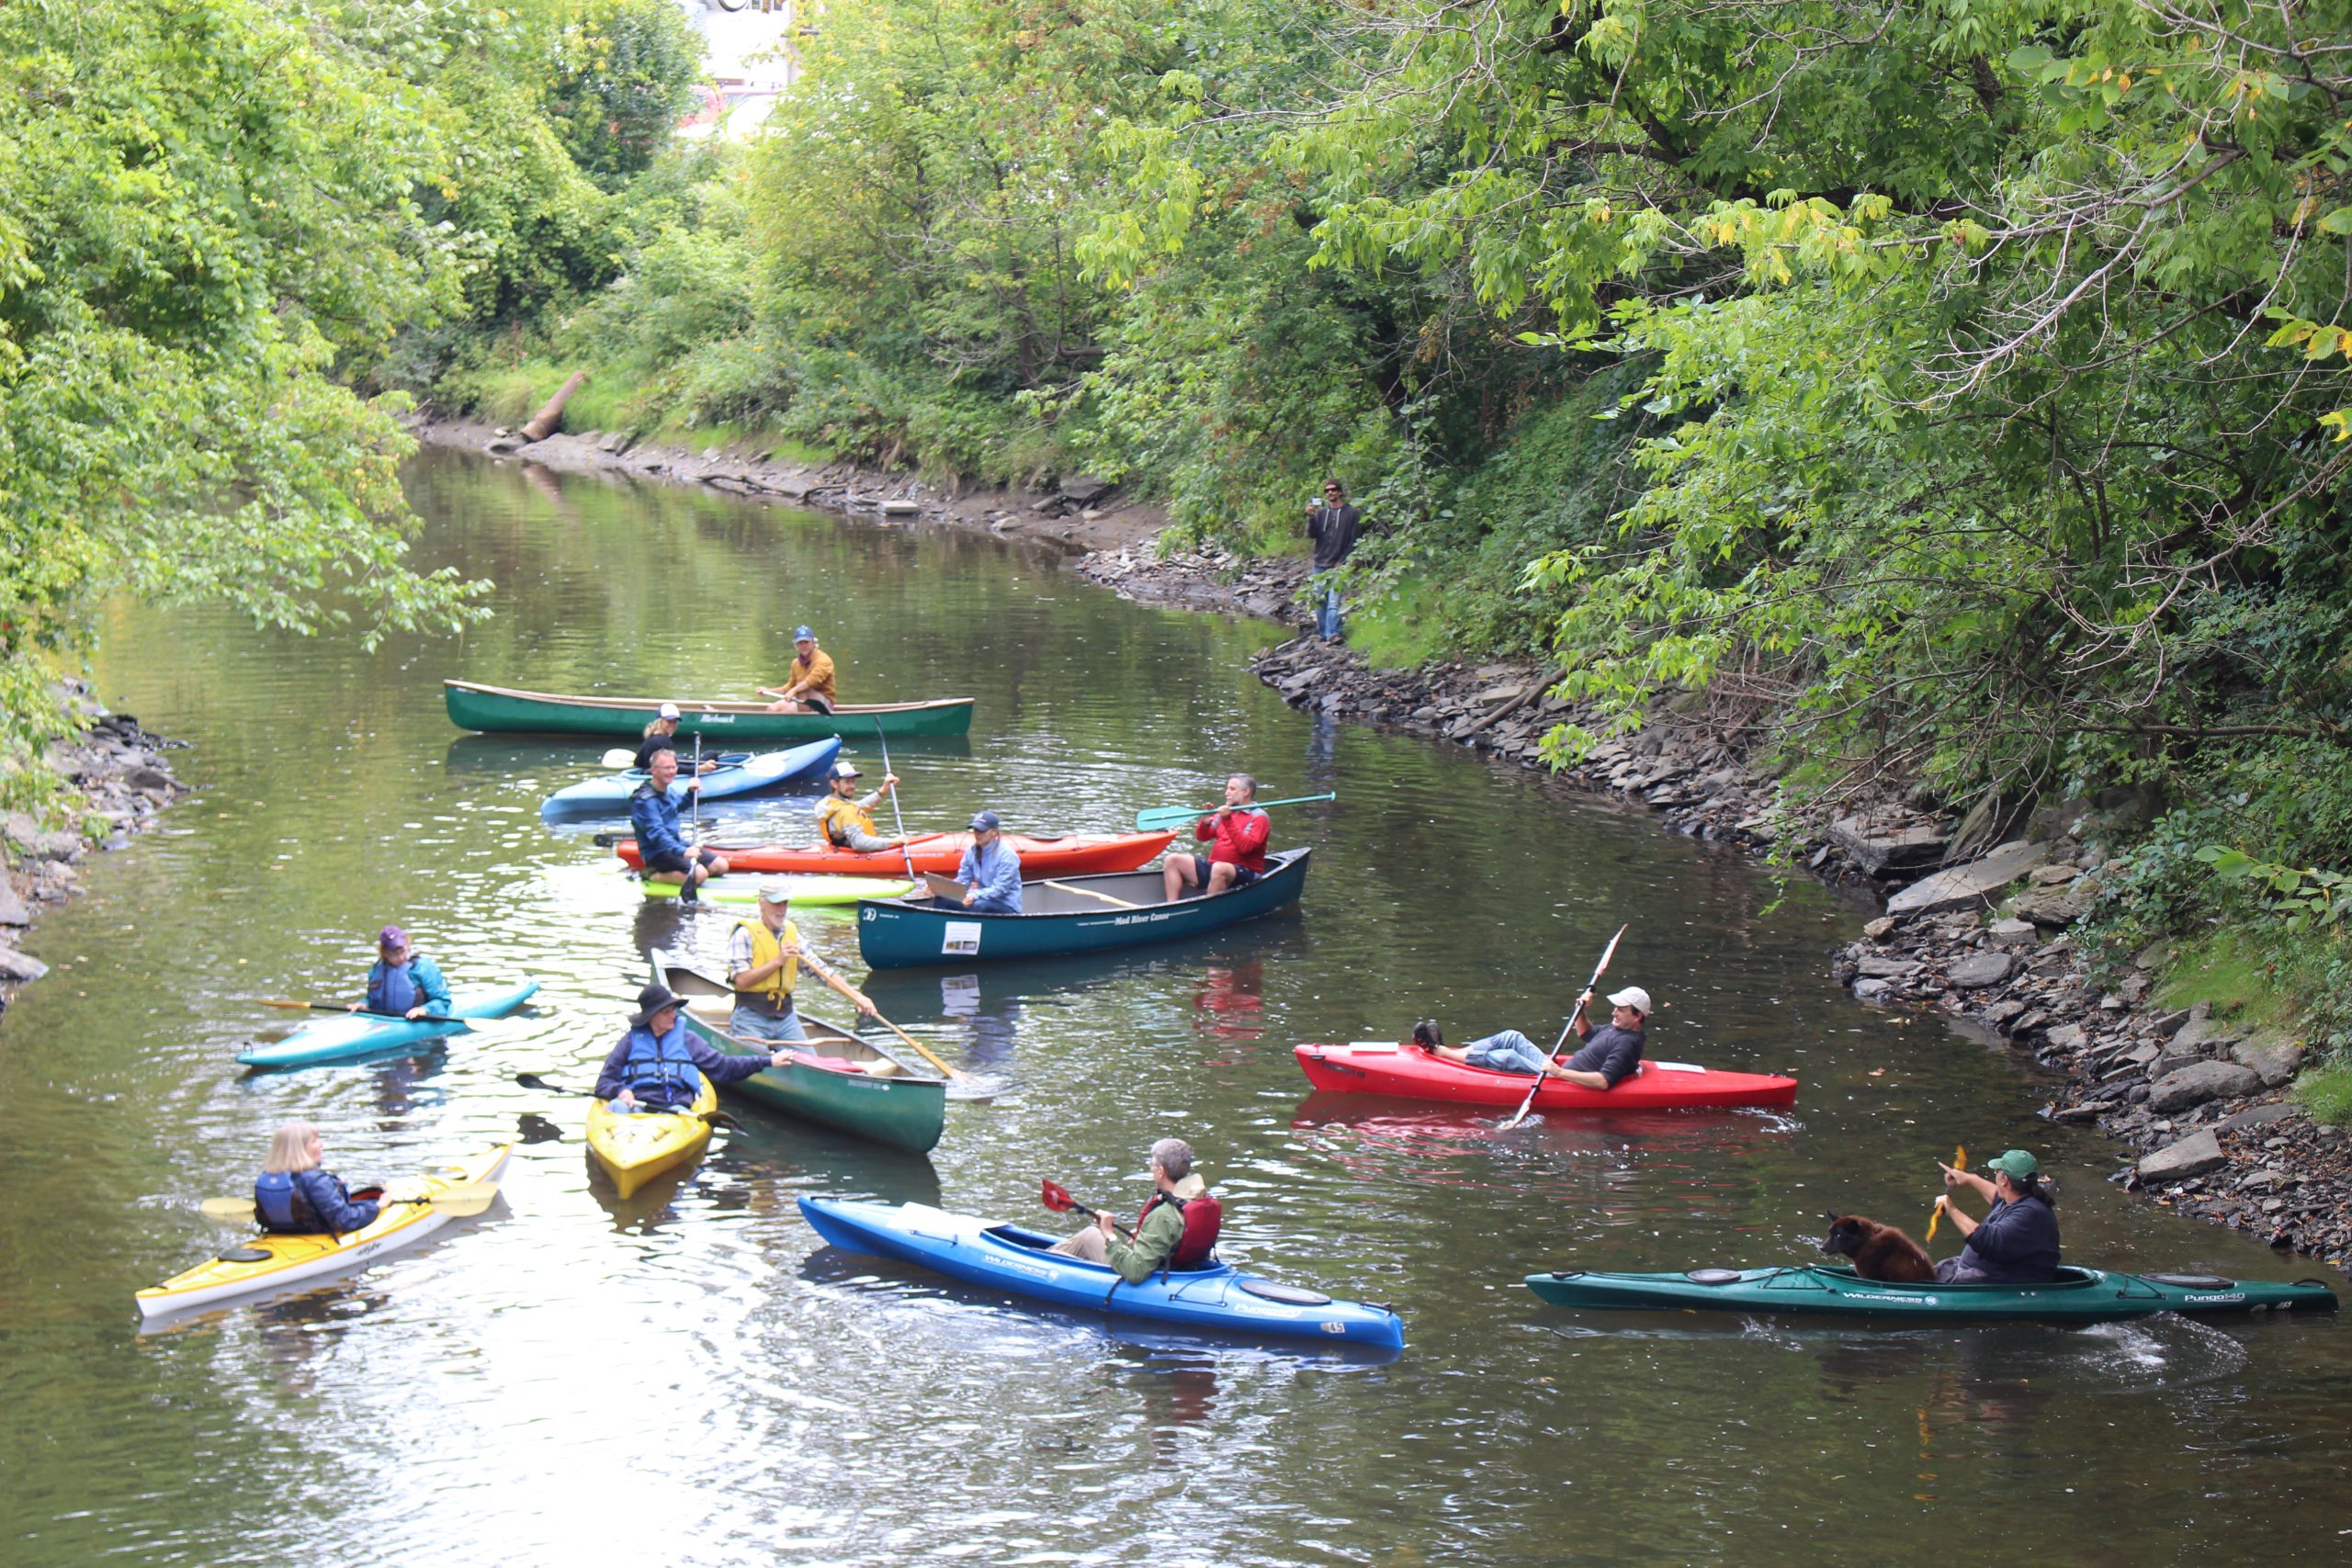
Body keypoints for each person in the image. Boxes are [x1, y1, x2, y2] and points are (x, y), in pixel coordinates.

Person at [594, 982, 799, 1110]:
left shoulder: (688, 1040)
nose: (674, 1015)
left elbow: (724, 1068)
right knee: (617, 1107)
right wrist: (620, 1091)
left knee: (679, 1114)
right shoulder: (630, 1042)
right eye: (667, 1012)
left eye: (674, 1010)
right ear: (651, 1017)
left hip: (675, 1109)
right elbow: (604, 1083)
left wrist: (768, 1060)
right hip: (636, 1107)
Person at [1049, 1137, 1222, 1281]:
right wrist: (1144, 1236)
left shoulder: (1163, 1215)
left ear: (1161, 1171)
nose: (1151, 1168)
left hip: (1155, 1274)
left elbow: (1135, 1271)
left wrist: (1109, 1234)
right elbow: (1174, 1238)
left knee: (1089, 1235)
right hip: (1183, 1268)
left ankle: (1039, 1264)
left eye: (1152, 1165)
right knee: (1095, 1233)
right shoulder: (1194, 1201)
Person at [727, 881, 880, 1041]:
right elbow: (742, 981)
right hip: (751, 1015)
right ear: (762, 903)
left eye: (784, 904)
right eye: (776, 904)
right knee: (755, 1063)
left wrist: (857, 996)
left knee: (808, 1059)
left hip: (785, 1017)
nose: (781, 910)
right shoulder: (744, 934)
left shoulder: (792, 935)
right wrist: (777, 962)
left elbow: (822, 972)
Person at [1933, 1148, 2061, 1283]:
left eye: (1997, 1172)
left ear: (2004, 1180)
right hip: (1970, 1271)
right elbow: (1996, 1197)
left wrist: (1952, 1211)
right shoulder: (2018, 1198)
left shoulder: (2030, 1214)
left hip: (1993, 1283)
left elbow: (1987, 1241)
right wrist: (1969, 1179)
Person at [630, 749, 729, 902]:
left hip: (675, 844)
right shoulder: (645, 801)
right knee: (700, 874)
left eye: (673, 767)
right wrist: (683, 851)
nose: (671, 772)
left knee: (721, 865)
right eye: (666, 768)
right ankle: (651, 874)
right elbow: (657, 833)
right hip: (657, 853)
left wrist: (690, 793)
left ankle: (679, 870)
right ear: (654, 770)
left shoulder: (667, 791)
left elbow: (677, 807)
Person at [254, 1121, 381, 1235]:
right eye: (314, 1141)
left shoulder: (265, 1178)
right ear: (299, 1149)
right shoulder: (317, 1181)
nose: (321, 1144)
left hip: (277, 1237)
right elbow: (345, 1221)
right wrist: (378, 1206)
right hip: (316, 1239)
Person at [1161, 773, 1269, 900]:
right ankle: (1171, 907)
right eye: (1227, 788)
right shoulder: (1224, 812)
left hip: (1245, 872)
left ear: (1246, 792)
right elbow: (1202, 837)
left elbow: (1246, 848)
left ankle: (1207, 910)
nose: (1226, 793)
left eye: (1232, 789)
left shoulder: (1259, 817)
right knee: (1172, 860)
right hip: (1216, 867)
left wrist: (1228, 820)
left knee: (1219, 868)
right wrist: (1205, 823)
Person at [1553, 984, 1651, 1089]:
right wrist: (1580, 1008)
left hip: (1562, 1080)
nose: (1614, 1013)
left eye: (1621, 1010)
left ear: (1638, 1016)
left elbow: (1603, 1082)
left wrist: (1559, 1072)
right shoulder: (1616, 1028)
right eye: (1616, 1008)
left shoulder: (1626, 1043)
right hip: (1560, 1075)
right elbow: (1585, 1033)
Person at [1304, 478, 1366, 641]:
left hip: (1338, 564)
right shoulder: (1321, 513)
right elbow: (1312, 535)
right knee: (1320, 601)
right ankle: (1324, 633)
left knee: (1334, 602)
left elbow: (1355, 540)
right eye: (1327, 491)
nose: (1330, 492)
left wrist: (1343, 560)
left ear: (1340, 492)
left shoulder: (1352, 513)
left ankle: (1334, 633)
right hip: (1320, 563)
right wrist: (1310, 517)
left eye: (1333, 489)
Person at [1407, 1020, 1575, 1078]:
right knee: (1512, 1037)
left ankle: (1440, 1052)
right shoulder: (1602, 1033)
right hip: (1560, 1069)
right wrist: (1582, 1010)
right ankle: (1448, 1052)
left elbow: (1602, 1082)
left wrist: (1561, 1073)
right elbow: (1586, 1032)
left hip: (1564, 1078)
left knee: (1508, 1057)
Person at [353, 926, 452, 1021]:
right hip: (383, 1021)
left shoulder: (422, 968)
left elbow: (443, 1002)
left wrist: (425, 1010)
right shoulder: (378, 970)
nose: (401, 958)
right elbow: (372, 999)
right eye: (394, 954)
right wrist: (364, 1004)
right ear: (385, 954)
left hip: (417, 1021)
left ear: (407, 945)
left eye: (402, 951)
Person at [813, 761, 907, 853]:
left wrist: (883, 790)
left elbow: (860, 806)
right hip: (855, 856)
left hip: (840, 849)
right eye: (847, 782)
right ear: (834, 784)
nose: (852, 786)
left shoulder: (831, 803)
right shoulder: (844, 811)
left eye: (853, 781)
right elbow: (859, 843)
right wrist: (892, 841)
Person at [954, 810, 1022, 913]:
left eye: (982, 831)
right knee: (942, 900)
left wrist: (974, 895)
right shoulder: (971, 851)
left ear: (994, 832)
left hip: (1006, 905)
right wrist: (944, 889)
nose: (977, 834)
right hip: (979, 898)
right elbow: (963, 879)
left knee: (979, 905)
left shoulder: (1007, 856)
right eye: (975, 830)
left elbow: (1000, 889)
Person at [763, 626, 837, 714]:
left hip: (824, 706)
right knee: (773, 708)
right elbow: (788, 688)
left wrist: (794, 690)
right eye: (800, 643)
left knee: (804, 690)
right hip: (802, 702)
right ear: (796, 645)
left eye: (806, 642)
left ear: (813, 643)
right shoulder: (795, 663)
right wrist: (767, 691)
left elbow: (811, 681)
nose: (803, 646)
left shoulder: (824, 660)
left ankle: (804, 721)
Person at [634, 702, 716, 773]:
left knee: (684, 757)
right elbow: (672, 768)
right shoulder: (663, 741)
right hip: (658, 775)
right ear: (660, 721)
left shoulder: (651, 737)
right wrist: (700, 768)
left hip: (651, 771)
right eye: (669, 721)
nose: (673, 725)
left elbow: (637, 762)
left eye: (675, 722)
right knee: (712, 754)